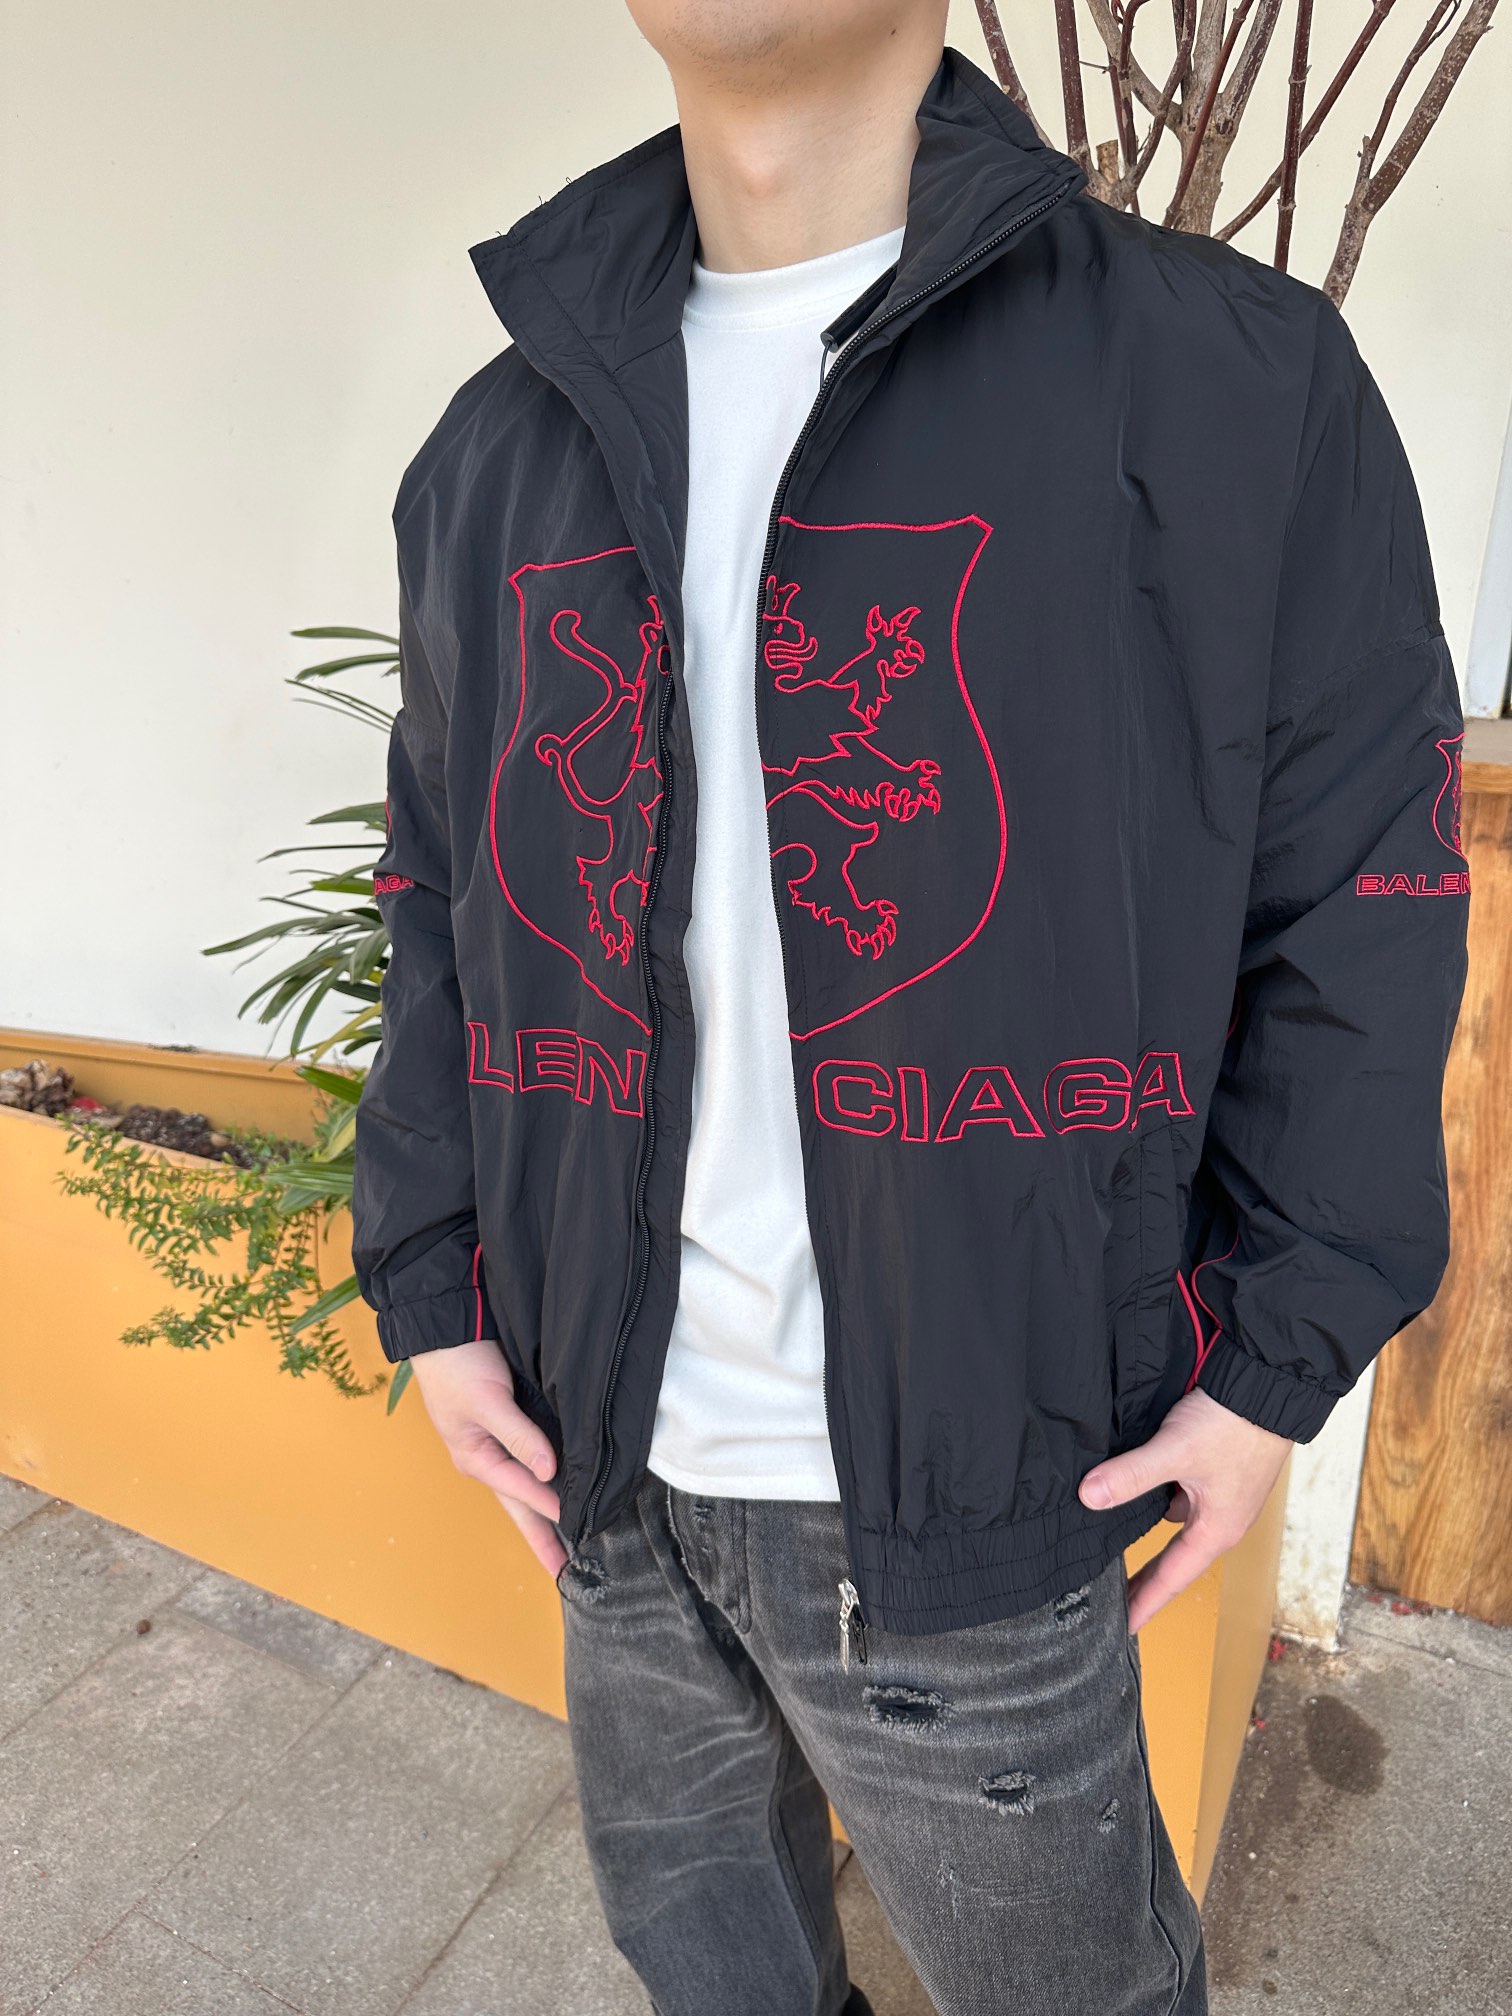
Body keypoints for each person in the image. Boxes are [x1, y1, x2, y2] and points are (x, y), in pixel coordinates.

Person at [351, 5, 1469, 2011]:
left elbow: (1361, 913)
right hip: (605, 1459)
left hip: (989, 1484)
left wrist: (1272, 1367)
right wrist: (435, 1296)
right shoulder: (499, 444)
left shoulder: (1232, 386)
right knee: (712, 1965)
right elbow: (440, 897)